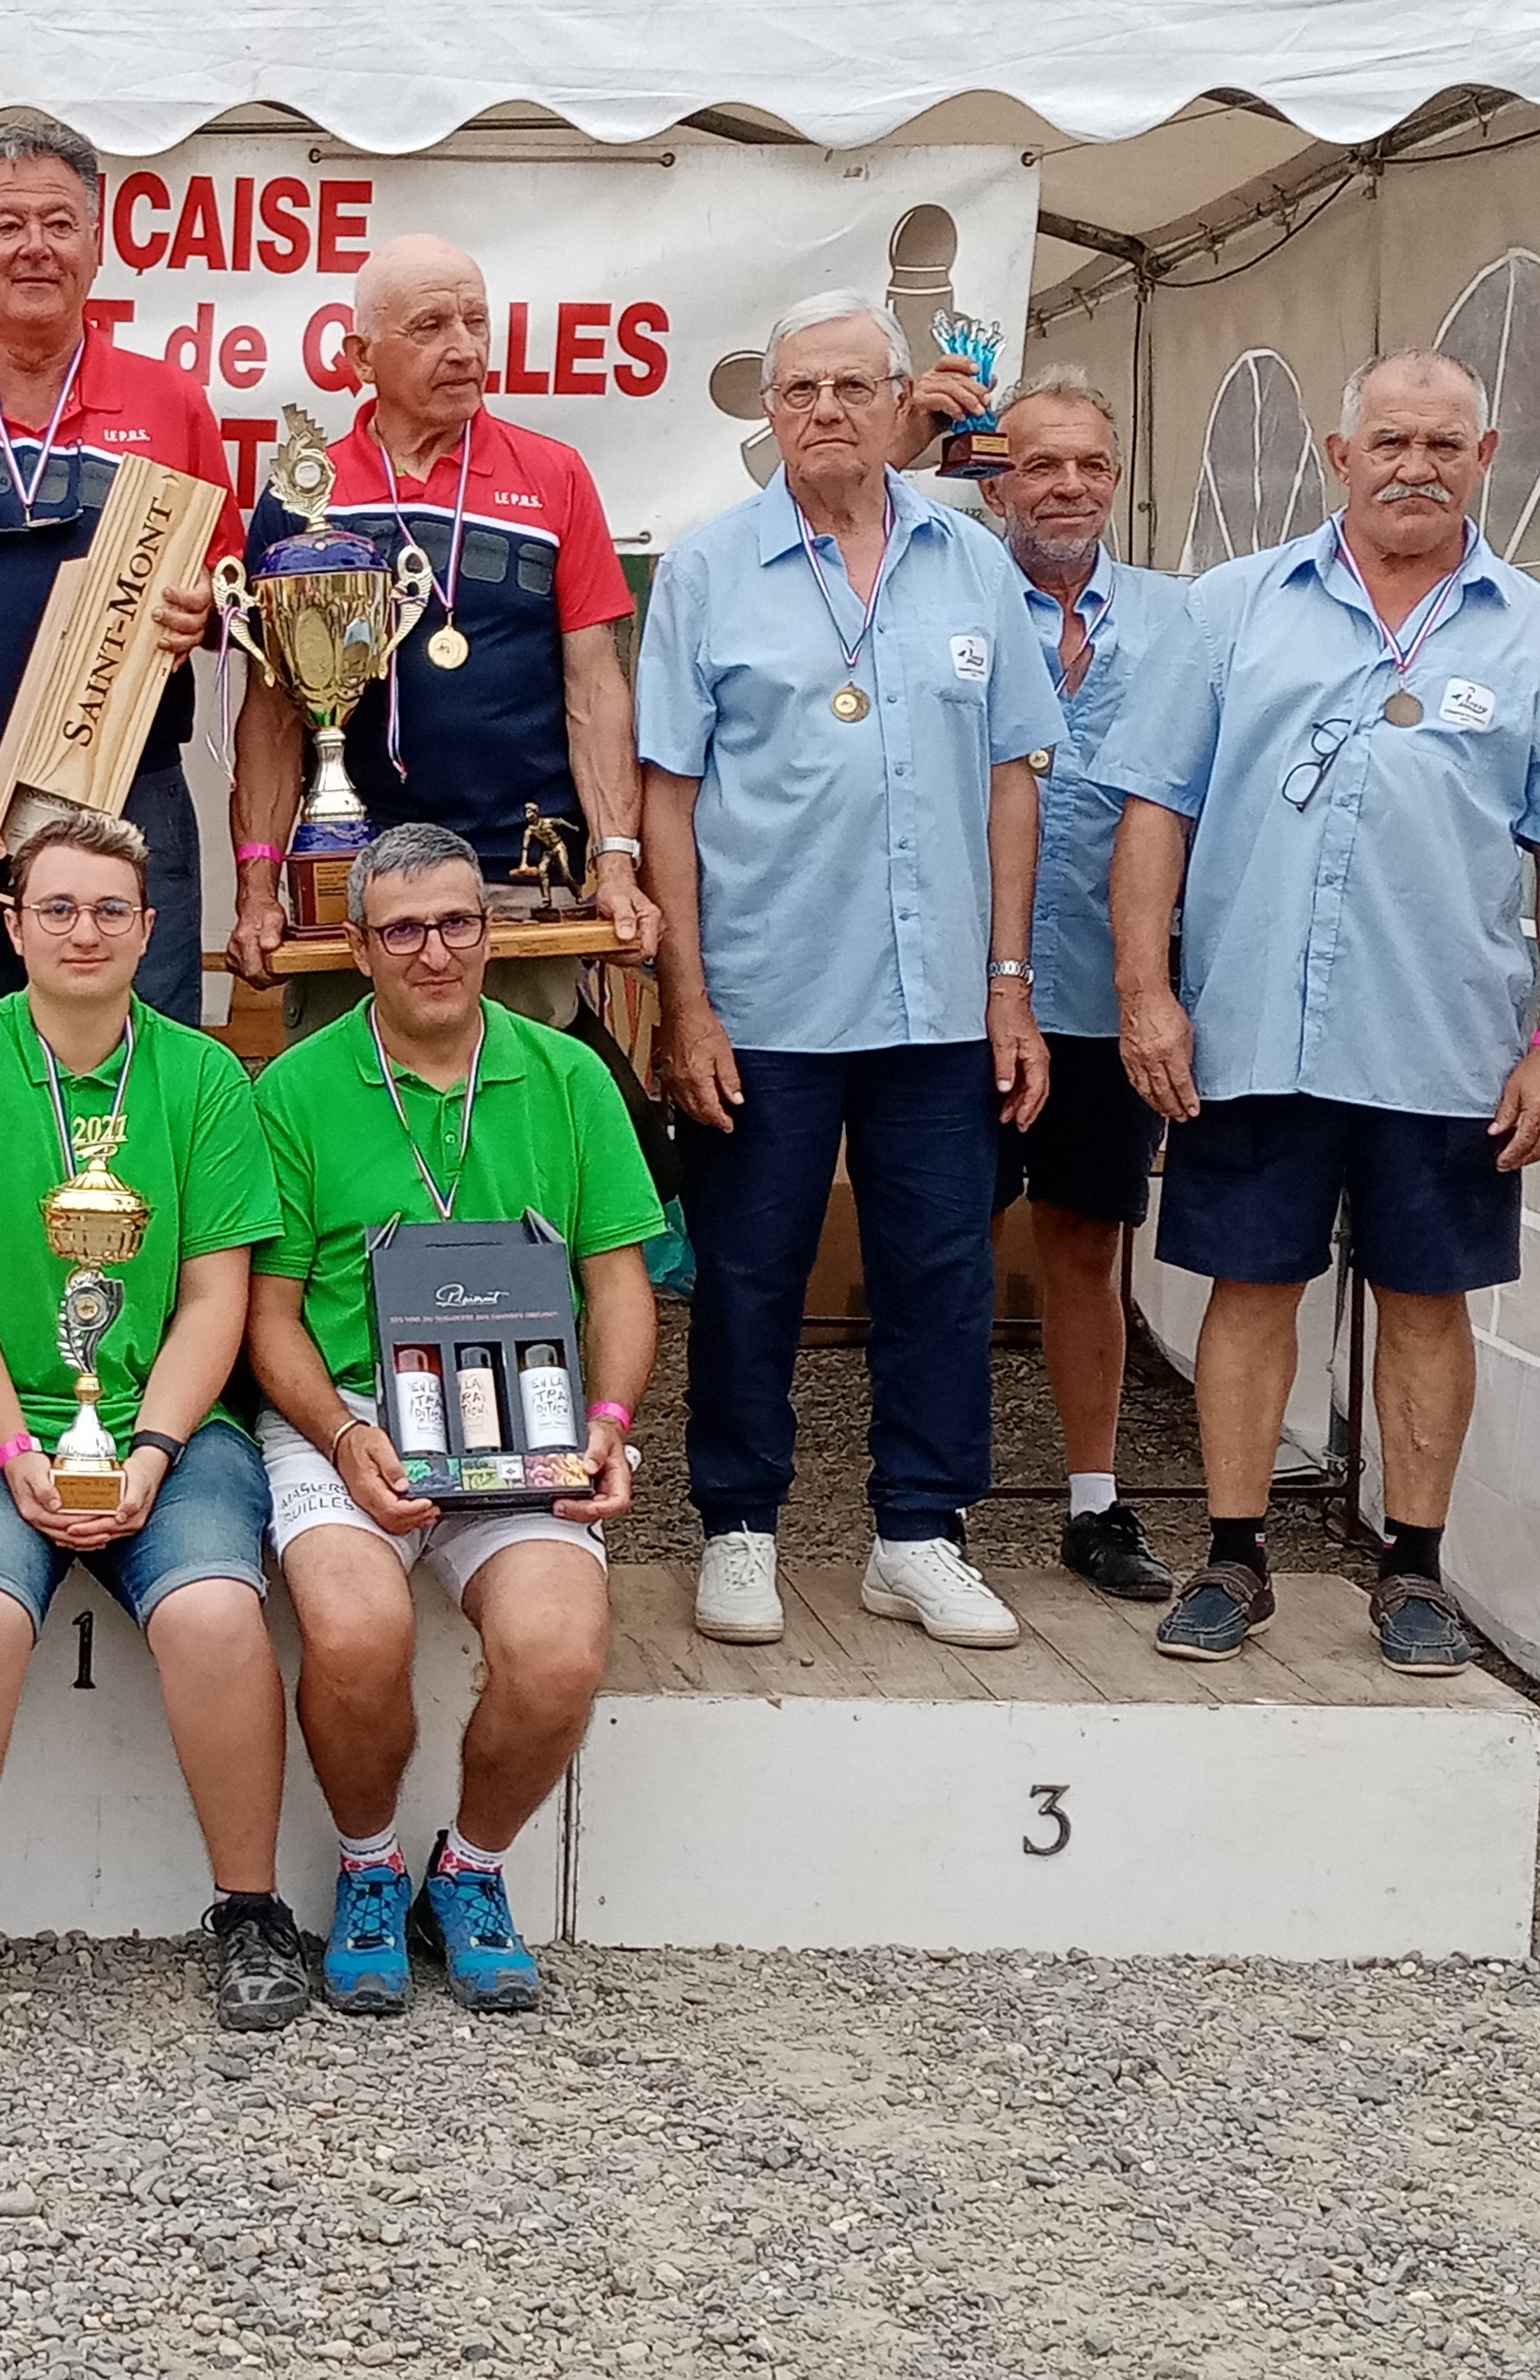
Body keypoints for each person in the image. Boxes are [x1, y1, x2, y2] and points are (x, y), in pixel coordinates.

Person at [1105, 348, 1540, 1675]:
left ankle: (1416, 1575)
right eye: (1390, 442)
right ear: (1339, 454)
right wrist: (1147, 995)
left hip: (1447, 1039)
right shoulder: (1233, 609)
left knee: (1429, 1301)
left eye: (1443, 444)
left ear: (1484, 459)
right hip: (1254, 1025)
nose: (1414, 466)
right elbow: (1155, 807)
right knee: (1252, 1285)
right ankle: (1236, 1556)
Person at [636, 291, 1061, 1654]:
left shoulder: (976, 565)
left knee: (938, 1269)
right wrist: (684, 1002)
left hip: (939, 998)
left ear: (899, 405)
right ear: (769, 415)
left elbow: (1011, 785)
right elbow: (665, 803)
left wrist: (1009, 981)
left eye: (851, 387)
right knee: (751, 1272)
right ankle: (740, 1528)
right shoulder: (707, 572)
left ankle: (919, 1536)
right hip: (764, 995)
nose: (826, 410)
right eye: (800, 390)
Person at [0, 809, 308, 2037]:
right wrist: (16, 1452)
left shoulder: (206, 1074)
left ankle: (253, 1908)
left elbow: (220, 1295)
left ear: (150, 928)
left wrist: (156, 1450)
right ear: (12, 926)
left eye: (111, 909)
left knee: (220, 1611)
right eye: (55, 907)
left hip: (171, 1427)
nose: (84, 930)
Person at [247, 824, 662, 2014]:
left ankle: (468, 1870)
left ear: (492, 931)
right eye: (404, 929)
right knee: (359, 1629)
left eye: (459, 923)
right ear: (358, 947)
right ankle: (370, 1865)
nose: (436, 951)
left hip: (524, 1411)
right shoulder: (294, 1088)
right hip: (356, 1414)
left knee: (559, 1652)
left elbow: (620, 1284)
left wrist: (611, 1420)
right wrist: (338, 1435)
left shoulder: (573, 1076)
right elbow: (268, 1314)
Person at [0, 111, 235, 1031]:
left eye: (60, 224)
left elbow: (230, 587)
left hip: (130, 791)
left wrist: (206, 610)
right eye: (8, 225)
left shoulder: (171, 404)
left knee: (142, 1058)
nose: (35, 248)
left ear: (97, 246)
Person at [227, 236, 654, 1034]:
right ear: (360, 355)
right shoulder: (303, 491)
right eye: (429, 326)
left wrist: (615, 862)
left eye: (475, 322)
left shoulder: (555, 475)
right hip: (354, 888)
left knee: (515, 1126)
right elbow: (274, 709)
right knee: (355, 1117)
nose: (462, 348)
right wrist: (256, 889)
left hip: (518, 882)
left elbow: (594, 690)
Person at [975, 368, 1191, 1603]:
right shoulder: (942, 593)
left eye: (1090, 466)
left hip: (1112, 995)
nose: (1067, 487)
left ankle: (1096, 1504)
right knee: (944, 1247)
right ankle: (927, 1504)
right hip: (965, 990)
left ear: (1116, 479)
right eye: (1040, 463)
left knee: (1086, 1245)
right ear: (996, 479)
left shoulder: (1180, 620)